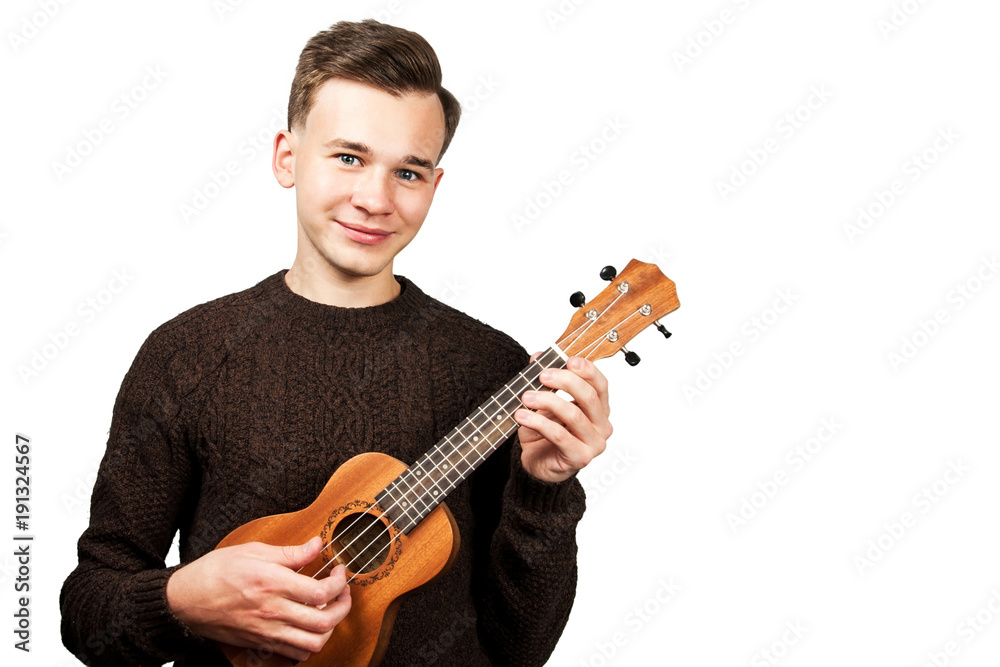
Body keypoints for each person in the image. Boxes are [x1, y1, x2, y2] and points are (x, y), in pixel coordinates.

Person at [60, 19, 612, 666]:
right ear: (286, 157)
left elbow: (519, 649)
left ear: (435, 188)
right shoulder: (187, 355)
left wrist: (545, 485)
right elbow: (88, 610)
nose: (374, 198)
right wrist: (180, 597)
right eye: (348, 157)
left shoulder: (489, 368)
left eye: (408, 172)